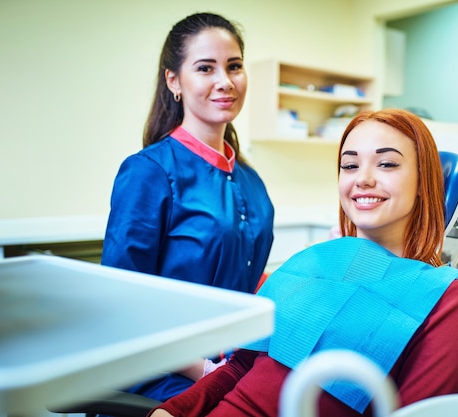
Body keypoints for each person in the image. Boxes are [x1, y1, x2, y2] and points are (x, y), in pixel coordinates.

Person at [148, 109, 458, 417]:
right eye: (350, 166)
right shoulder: (310, 262)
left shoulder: (445, 299)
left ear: (424, 183)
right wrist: (171, 411)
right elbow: (238, 370)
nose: (362, 178)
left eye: (387, 164)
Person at [100, 12, 274, 402]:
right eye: (205, 68)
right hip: (161, 373)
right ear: (174, 81)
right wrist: (205, 370)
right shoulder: (149, 172)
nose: (224, 82)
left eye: (234, 66)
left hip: (233, 364)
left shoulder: (251, 181)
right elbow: (121, 304)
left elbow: (245, 276)